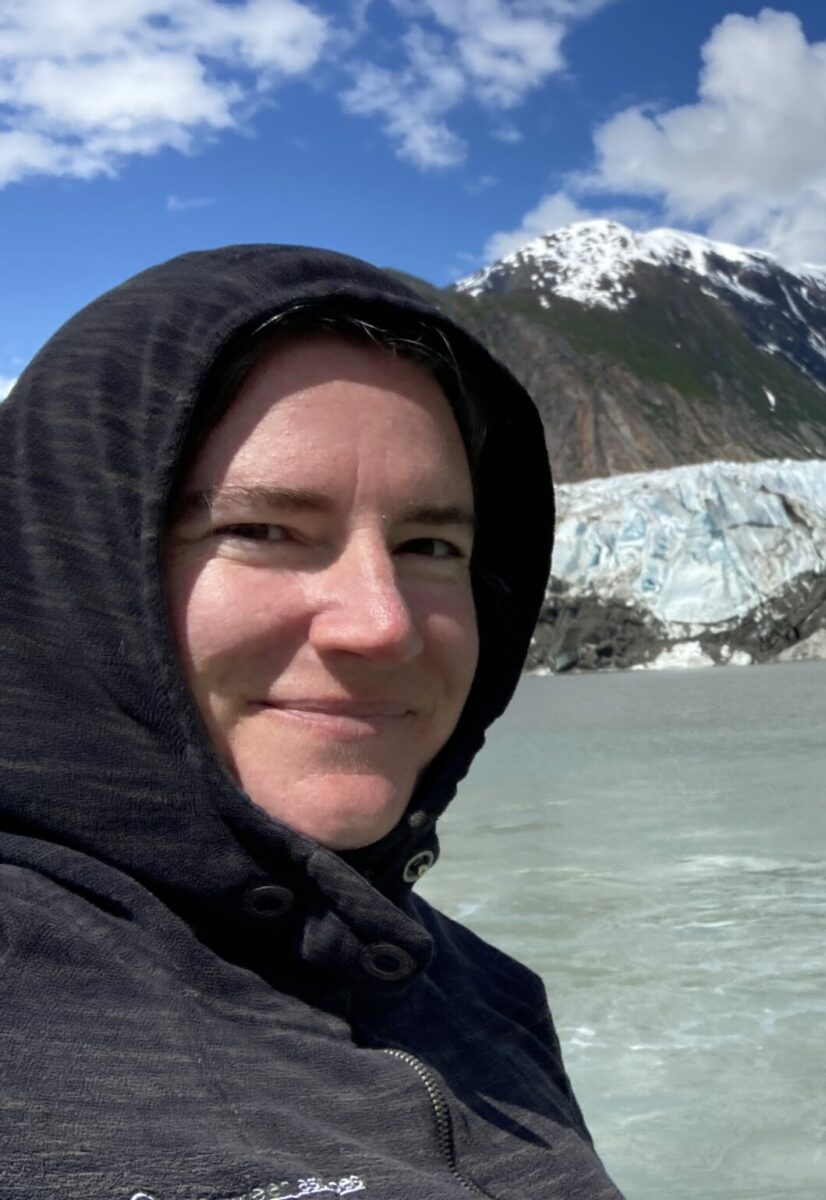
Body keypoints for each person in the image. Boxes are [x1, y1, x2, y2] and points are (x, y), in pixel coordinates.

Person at [0, 245, 624, 1198]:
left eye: (428, 543)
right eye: (261, 531)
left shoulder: (481, 998)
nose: (381, 623)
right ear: (73, 570)